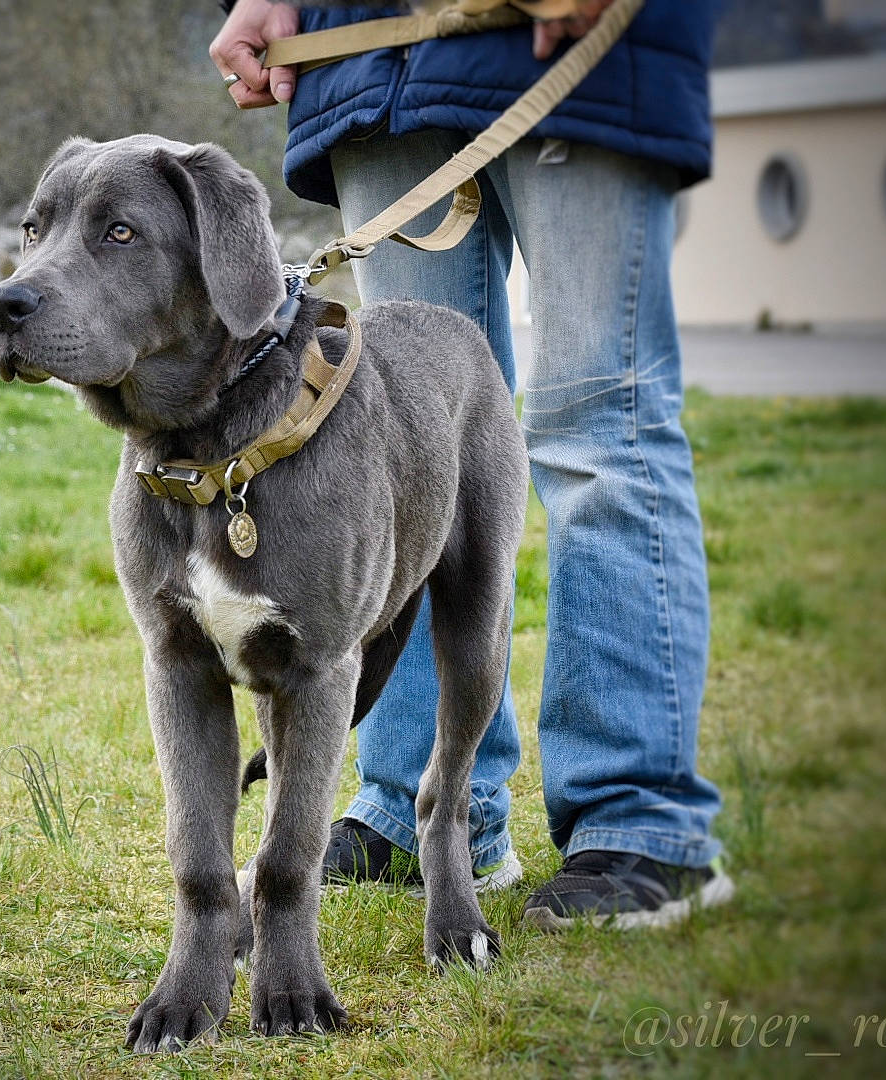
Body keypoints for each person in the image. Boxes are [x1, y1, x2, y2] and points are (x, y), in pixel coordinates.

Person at [209, 0, 734, 928]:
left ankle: (640, 822)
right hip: (371, 62)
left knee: (600, 425)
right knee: (403, 447)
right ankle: (427, 806)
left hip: (579, 50)